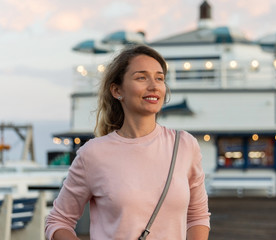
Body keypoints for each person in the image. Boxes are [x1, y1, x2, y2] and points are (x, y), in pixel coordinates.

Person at [45, 45, 210, 240]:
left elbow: (197, 216)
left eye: (159, 78)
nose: (154, 86)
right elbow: (58, 221)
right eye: (142, 77)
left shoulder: (184, 145)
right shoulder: (93, 153)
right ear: (117, 90)